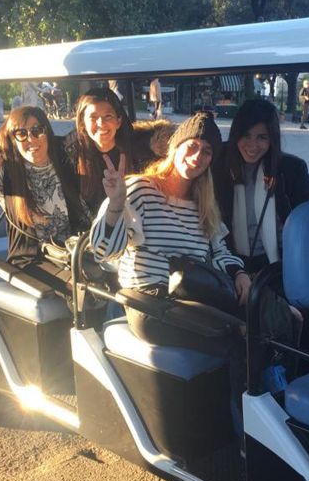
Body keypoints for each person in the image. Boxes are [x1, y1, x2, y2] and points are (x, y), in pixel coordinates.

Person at [90, 111, 250, 419]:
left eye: (206, 151)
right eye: (191, 146)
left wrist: (239, 272)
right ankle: (245, 441)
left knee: (257, 328)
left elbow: (220, 249)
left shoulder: (204, 201)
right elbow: (103, 251)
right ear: (175, 147)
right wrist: (115, 205)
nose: (197, 156)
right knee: (237, 342)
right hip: (149, 302)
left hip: (192, 296)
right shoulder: (140, 190)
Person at [0, 106, 90, 293]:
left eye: (37, 131)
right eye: (21, 133)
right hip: (32, 260)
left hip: (76, 249)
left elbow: (94, 125)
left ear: (47, 131)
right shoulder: (2, 170)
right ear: (12, 137)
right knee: (84, 289)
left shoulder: (65, 154)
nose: (31, 139)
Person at [212, 99, 309, 275]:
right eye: (246, 135)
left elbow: (306, 223)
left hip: (278, 266)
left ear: (272, 139)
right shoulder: (218, 164)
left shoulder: (292, 169)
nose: (252, 145)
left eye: (262, 137)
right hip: (229, 263)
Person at [67, 88, 155, 214]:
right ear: (83, 124)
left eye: (108, 116)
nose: (101, 123)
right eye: (93, 117)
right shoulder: (71, 156)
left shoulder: (140, 154)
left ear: (118, 121)